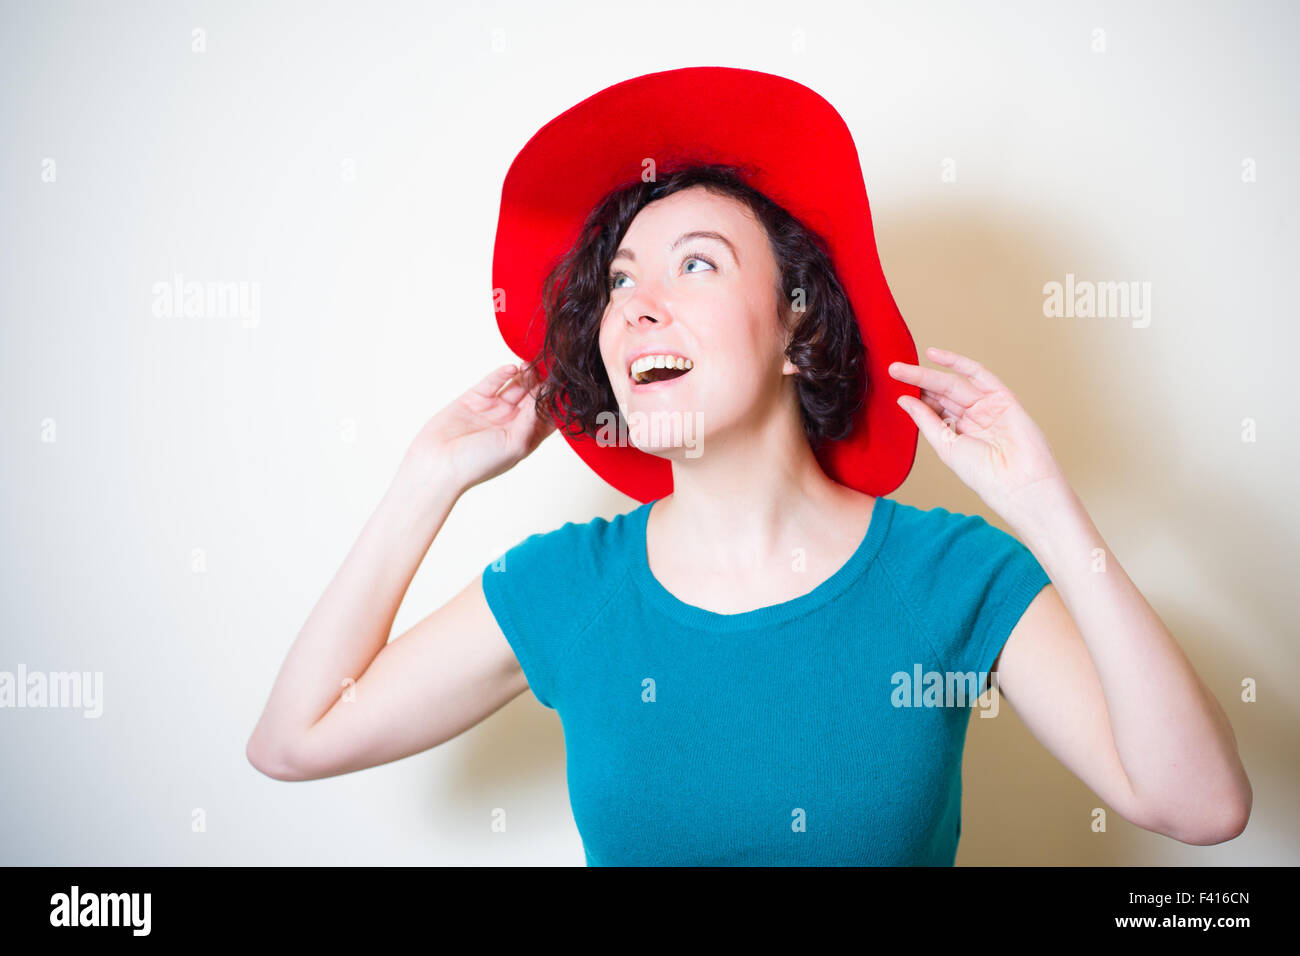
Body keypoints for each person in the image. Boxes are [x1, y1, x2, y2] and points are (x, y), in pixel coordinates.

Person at [246, 68, 1251, 866]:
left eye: (695, 264)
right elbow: (294, 739)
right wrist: (426, 478)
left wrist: (1045, 508)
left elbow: (1199, 805)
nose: (636, 304)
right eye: (620, 282)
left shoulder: (953, 573)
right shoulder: (567, 586)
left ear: (794, 327)